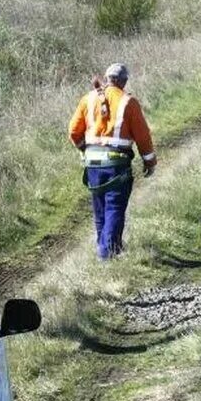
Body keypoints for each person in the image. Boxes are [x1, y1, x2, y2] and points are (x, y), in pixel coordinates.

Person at [68, 64, 157, 259]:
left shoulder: (87, 99)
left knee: (100, 209)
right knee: (115, 207)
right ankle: (108, 255)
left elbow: (74, 131)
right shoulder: (128, 102)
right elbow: (142, 136)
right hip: (117, 165)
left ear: (107, 78)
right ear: (124, 81)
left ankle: (106, 249)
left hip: (92, 165)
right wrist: (149, 161)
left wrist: (85, 148)